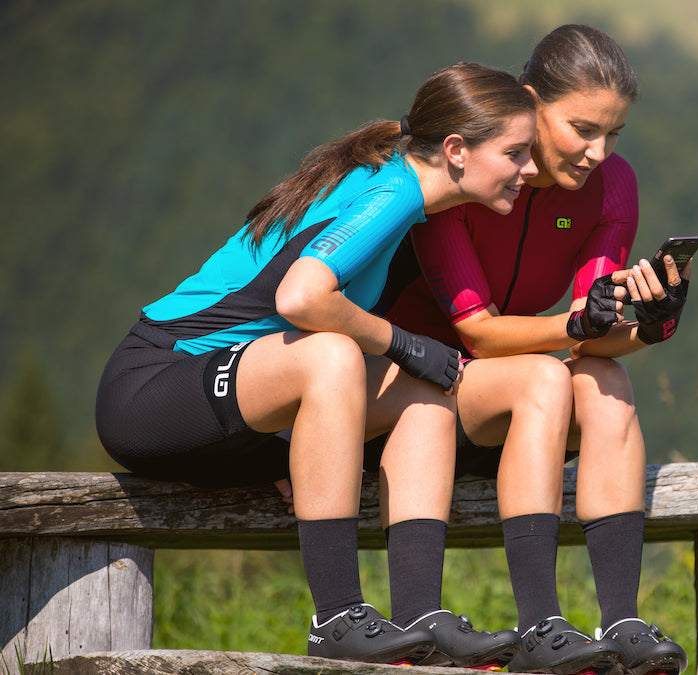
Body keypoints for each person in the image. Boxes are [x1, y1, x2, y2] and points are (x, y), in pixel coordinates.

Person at [95, 62, 538, 669]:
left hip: (233, 406)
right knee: (335, 355)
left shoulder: (403, 196)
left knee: (423, 394)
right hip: (151, 388)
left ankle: (421, 619)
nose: (530, 170)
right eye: (516, 153)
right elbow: (301, 300)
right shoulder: (393, 191)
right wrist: (404, 343)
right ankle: (336, 619)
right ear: (457, 150)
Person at [384, 25, 691, 675]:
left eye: (613, 135)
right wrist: (576, 328)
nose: (598, 152)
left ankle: (621, 620)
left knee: (604, 377)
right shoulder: (475, 169)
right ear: (529, 102)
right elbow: (479, 332)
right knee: (546, 379)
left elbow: (589, 323)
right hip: (417, 393)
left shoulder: (613, 188)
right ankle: (539, 624)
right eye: (581, 128)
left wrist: (649, 325)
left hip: (515, 406)